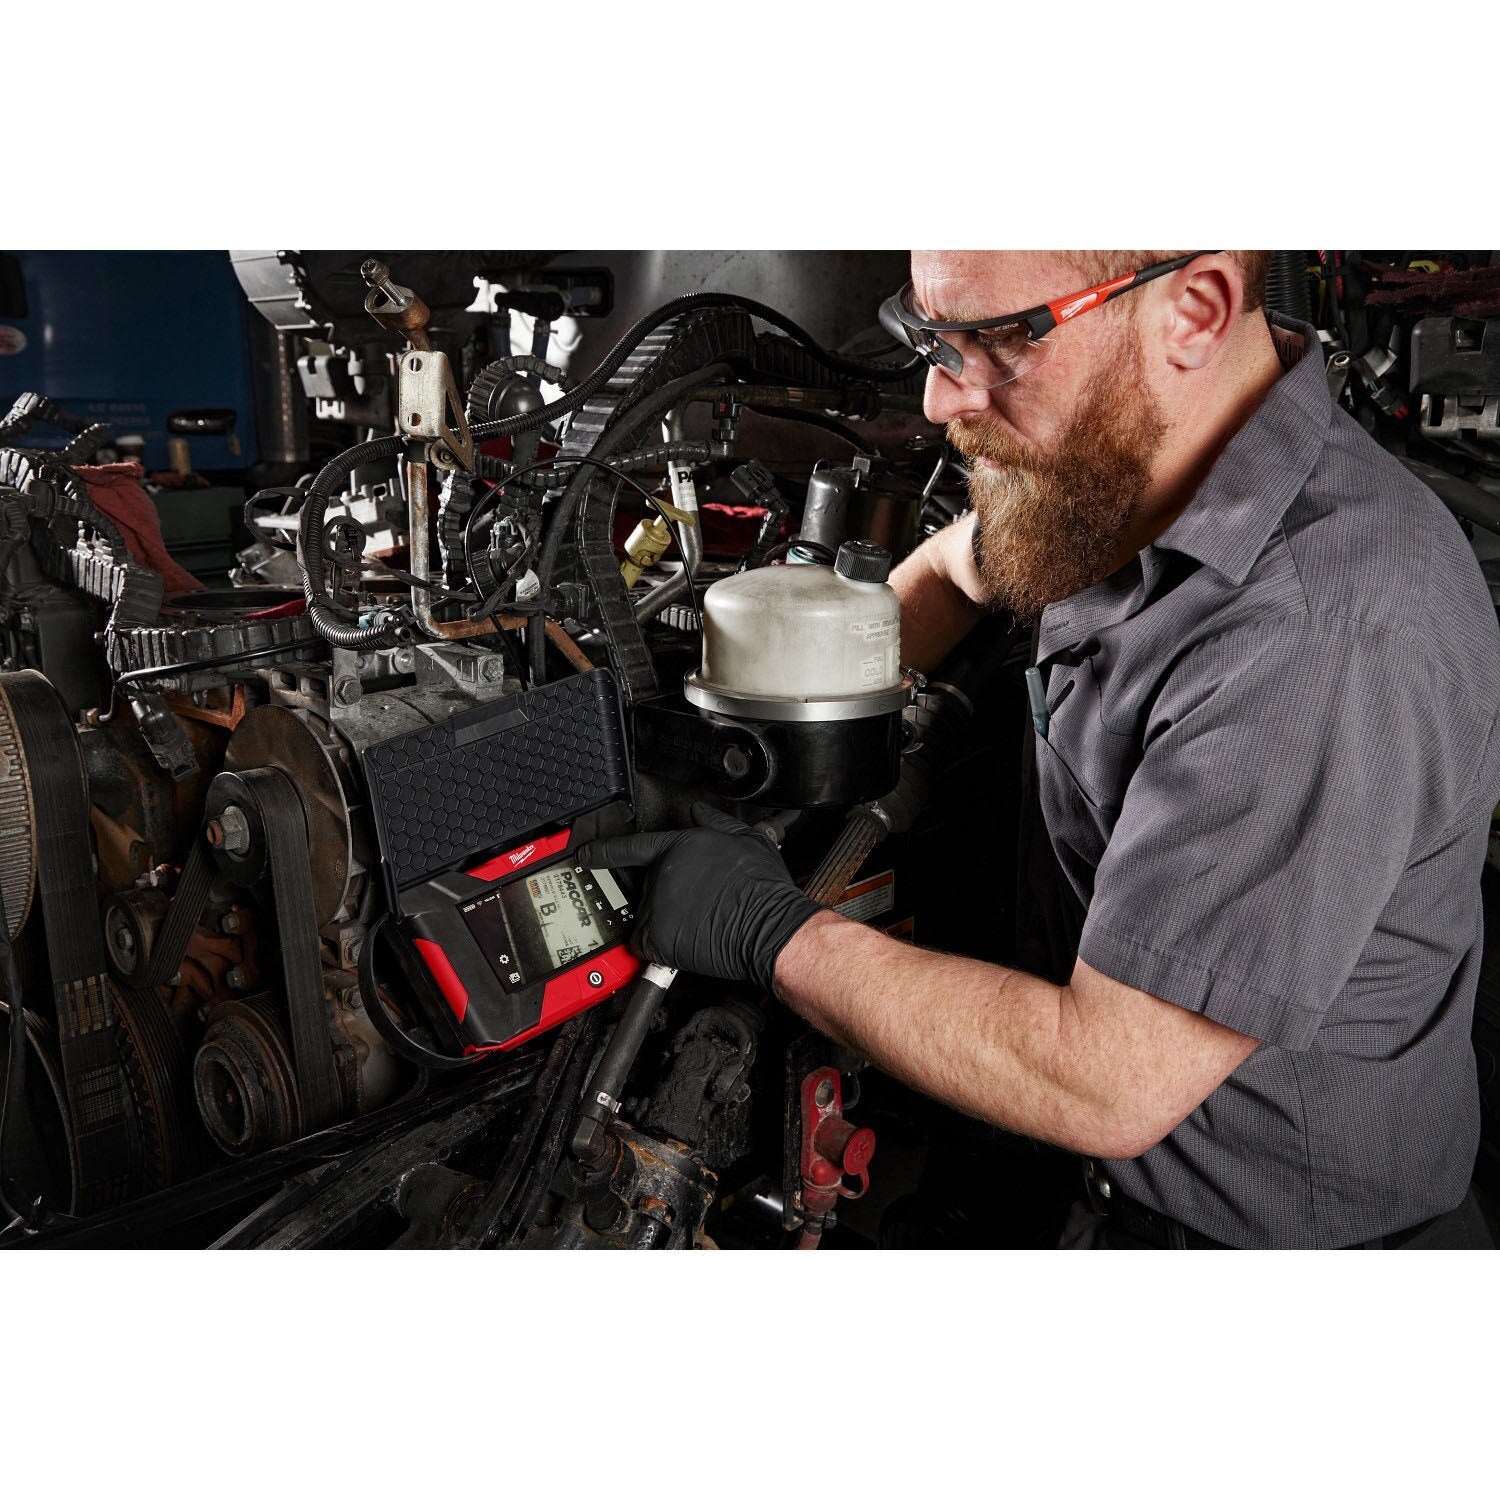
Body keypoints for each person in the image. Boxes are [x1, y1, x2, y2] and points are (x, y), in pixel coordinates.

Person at [580, 251, 1500, 1249]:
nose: (937, 399)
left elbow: (1104, 1079)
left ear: (1195, 313)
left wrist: (771, 932)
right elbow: (958, 565)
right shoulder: (1141, 462)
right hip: (1063, 1178)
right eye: (930, 334)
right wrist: (802, 731)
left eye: (999, 339)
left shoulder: (1323, 634)